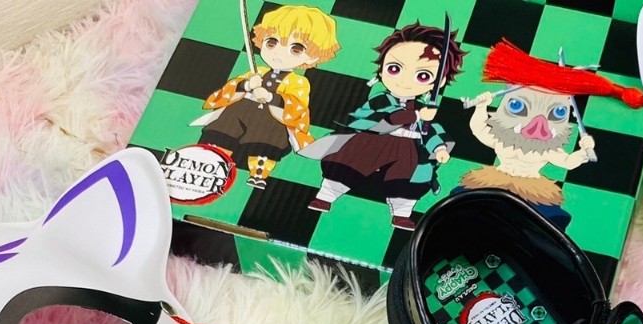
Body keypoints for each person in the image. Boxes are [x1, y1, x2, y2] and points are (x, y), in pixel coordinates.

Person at [304, 22, 464, 229]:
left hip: (406, 148)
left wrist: (439, 148)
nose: (405, 81)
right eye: (394, 68)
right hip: (372, 141)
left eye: (422, 75)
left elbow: (432, 131)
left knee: (408, 178)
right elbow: (379, 119)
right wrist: (415, 115)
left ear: (438, 83)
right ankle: (325, 196)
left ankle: (401, 213)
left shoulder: (424, 108)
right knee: (348, 165)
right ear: (381, 69)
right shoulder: (381, 99)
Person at [195, 5, 340, 188]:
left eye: (296, 49)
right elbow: (229, 91)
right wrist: (246, 85)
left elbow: (297, 107)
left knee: (265, 141)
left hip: (271, 119)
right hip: (240, 111)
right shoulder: (257, 71)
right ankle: (213, 162)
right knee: (223, 131)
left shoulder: (298, 81)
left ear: (313, 57)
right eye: (272, 42)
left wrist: (272, 98)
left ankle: (258, 173)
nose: (278, 52)